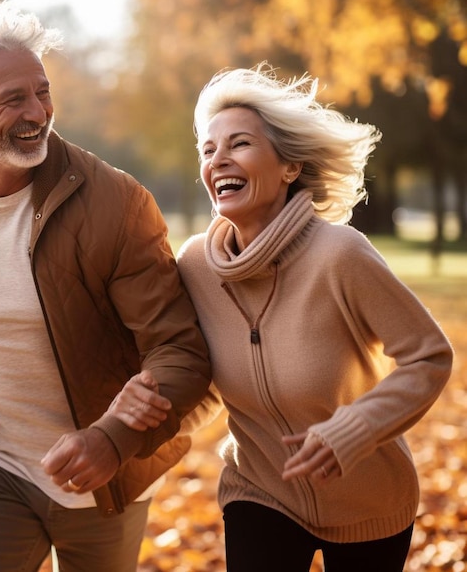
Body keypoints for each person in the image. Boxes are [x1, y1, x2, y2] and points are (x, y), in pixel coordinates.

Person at [0, 0, 212, 572]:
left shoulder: (115, 203)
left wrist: (113, 439)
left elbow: (180, 348)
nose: (39, 112)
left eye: (42, 91)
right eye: (13, 99)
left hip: (106, 476)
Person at [108, 63, 453, 571]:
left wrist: (352, 429)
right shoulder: (197, 266)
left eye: (239, 144)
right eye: (208, 149)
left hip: (369, 499)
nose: (218, 158)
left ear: (290, 167)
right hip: (258, 490)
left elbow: (429, 357)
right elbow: (201, 380)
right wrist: (155, 399)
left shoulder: (340, 256)